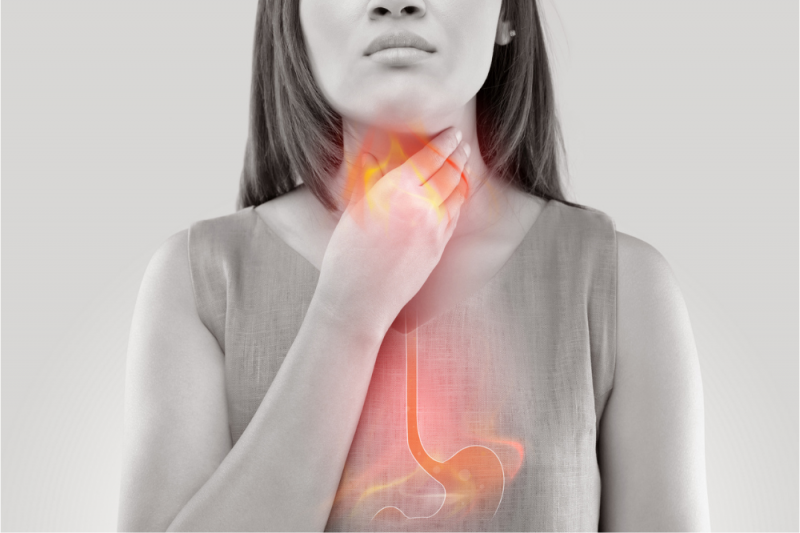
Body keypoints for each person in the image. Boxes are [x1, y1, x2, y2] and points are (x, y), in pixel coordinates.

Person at [117, 0, 711, 531]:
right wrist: (347, 311)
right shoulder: (199, 280)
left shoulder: (621, 286)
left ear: (507, 14)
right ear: (292, 19)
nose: (396, 4)